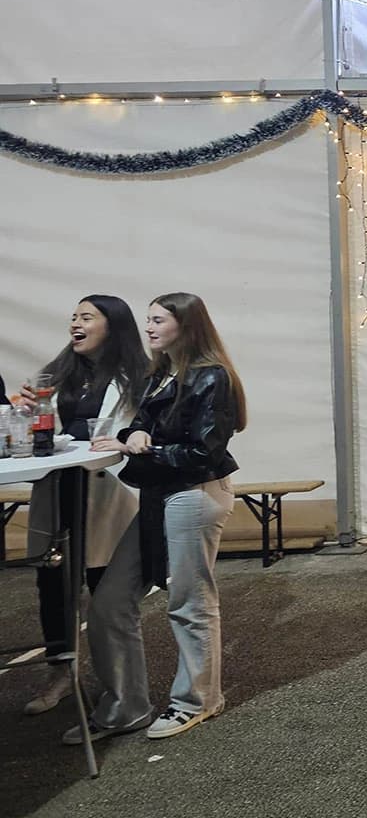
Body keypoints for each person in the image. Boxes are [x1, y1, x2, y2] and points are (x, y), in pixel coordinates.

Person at [67, 292, 247, 744]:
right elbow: (138, 427)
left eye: (157, 320)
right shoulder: (161, 374)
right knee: (109, 601)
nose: (148, 328)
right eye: (147, 320)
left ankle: (198, 700)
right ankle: (126, 706)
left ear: (185, 326)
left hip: (195, 491)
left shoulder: (212, 377)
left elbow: (205, 450)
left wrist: (140, 445)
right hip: (158, 492)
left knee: (189, 600)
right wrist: (135, 433)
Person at [20, 295, 147, 715]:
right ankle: (61, 674)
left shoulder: (138, 376)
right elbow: (41, 431)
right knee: (53, 588)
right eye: (73, 316)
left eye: (86, 317)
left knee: (104, 590)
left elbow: (138, 429)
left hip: (102, 493)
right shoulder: (58, 373)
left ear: (112, 326)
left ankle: (119, 687)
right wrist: (27, 411)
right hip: (57, 488)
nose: (75, 323)